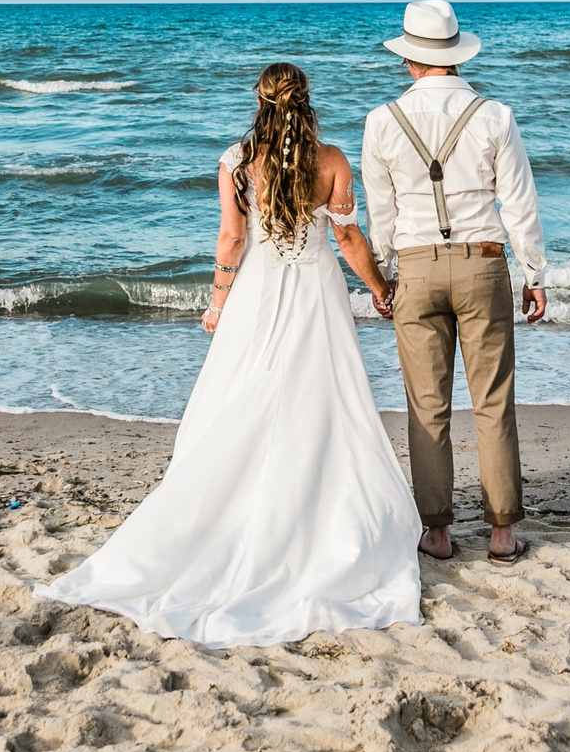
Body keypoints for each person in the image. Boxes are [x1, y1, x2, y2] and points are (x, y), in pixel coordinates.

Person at [36, 63, 421, 646]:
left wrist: (217, 303)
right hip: (316, 290)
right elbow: (346, 237)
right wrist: (379, 288)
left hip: (257, 293)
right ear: (306, 102)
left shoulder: (238, 162)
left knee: (243, 396)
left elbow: (233, 238)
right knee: (322, 405)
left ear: (259, 102)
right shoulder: (332, 161)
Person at [360, 0, 548, 566]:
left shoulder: (382, 120)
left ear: (408, 59)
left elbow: (381, 215)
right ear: (457, 54)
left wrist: (382, 277)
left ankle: (437, 533)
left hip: (416, 268)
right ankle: (501, 534)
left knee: (426, 406)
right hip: (482, 264)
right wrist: (534, 273)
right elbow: (519, 205)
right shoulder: (496, 116)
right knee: (493, 401)